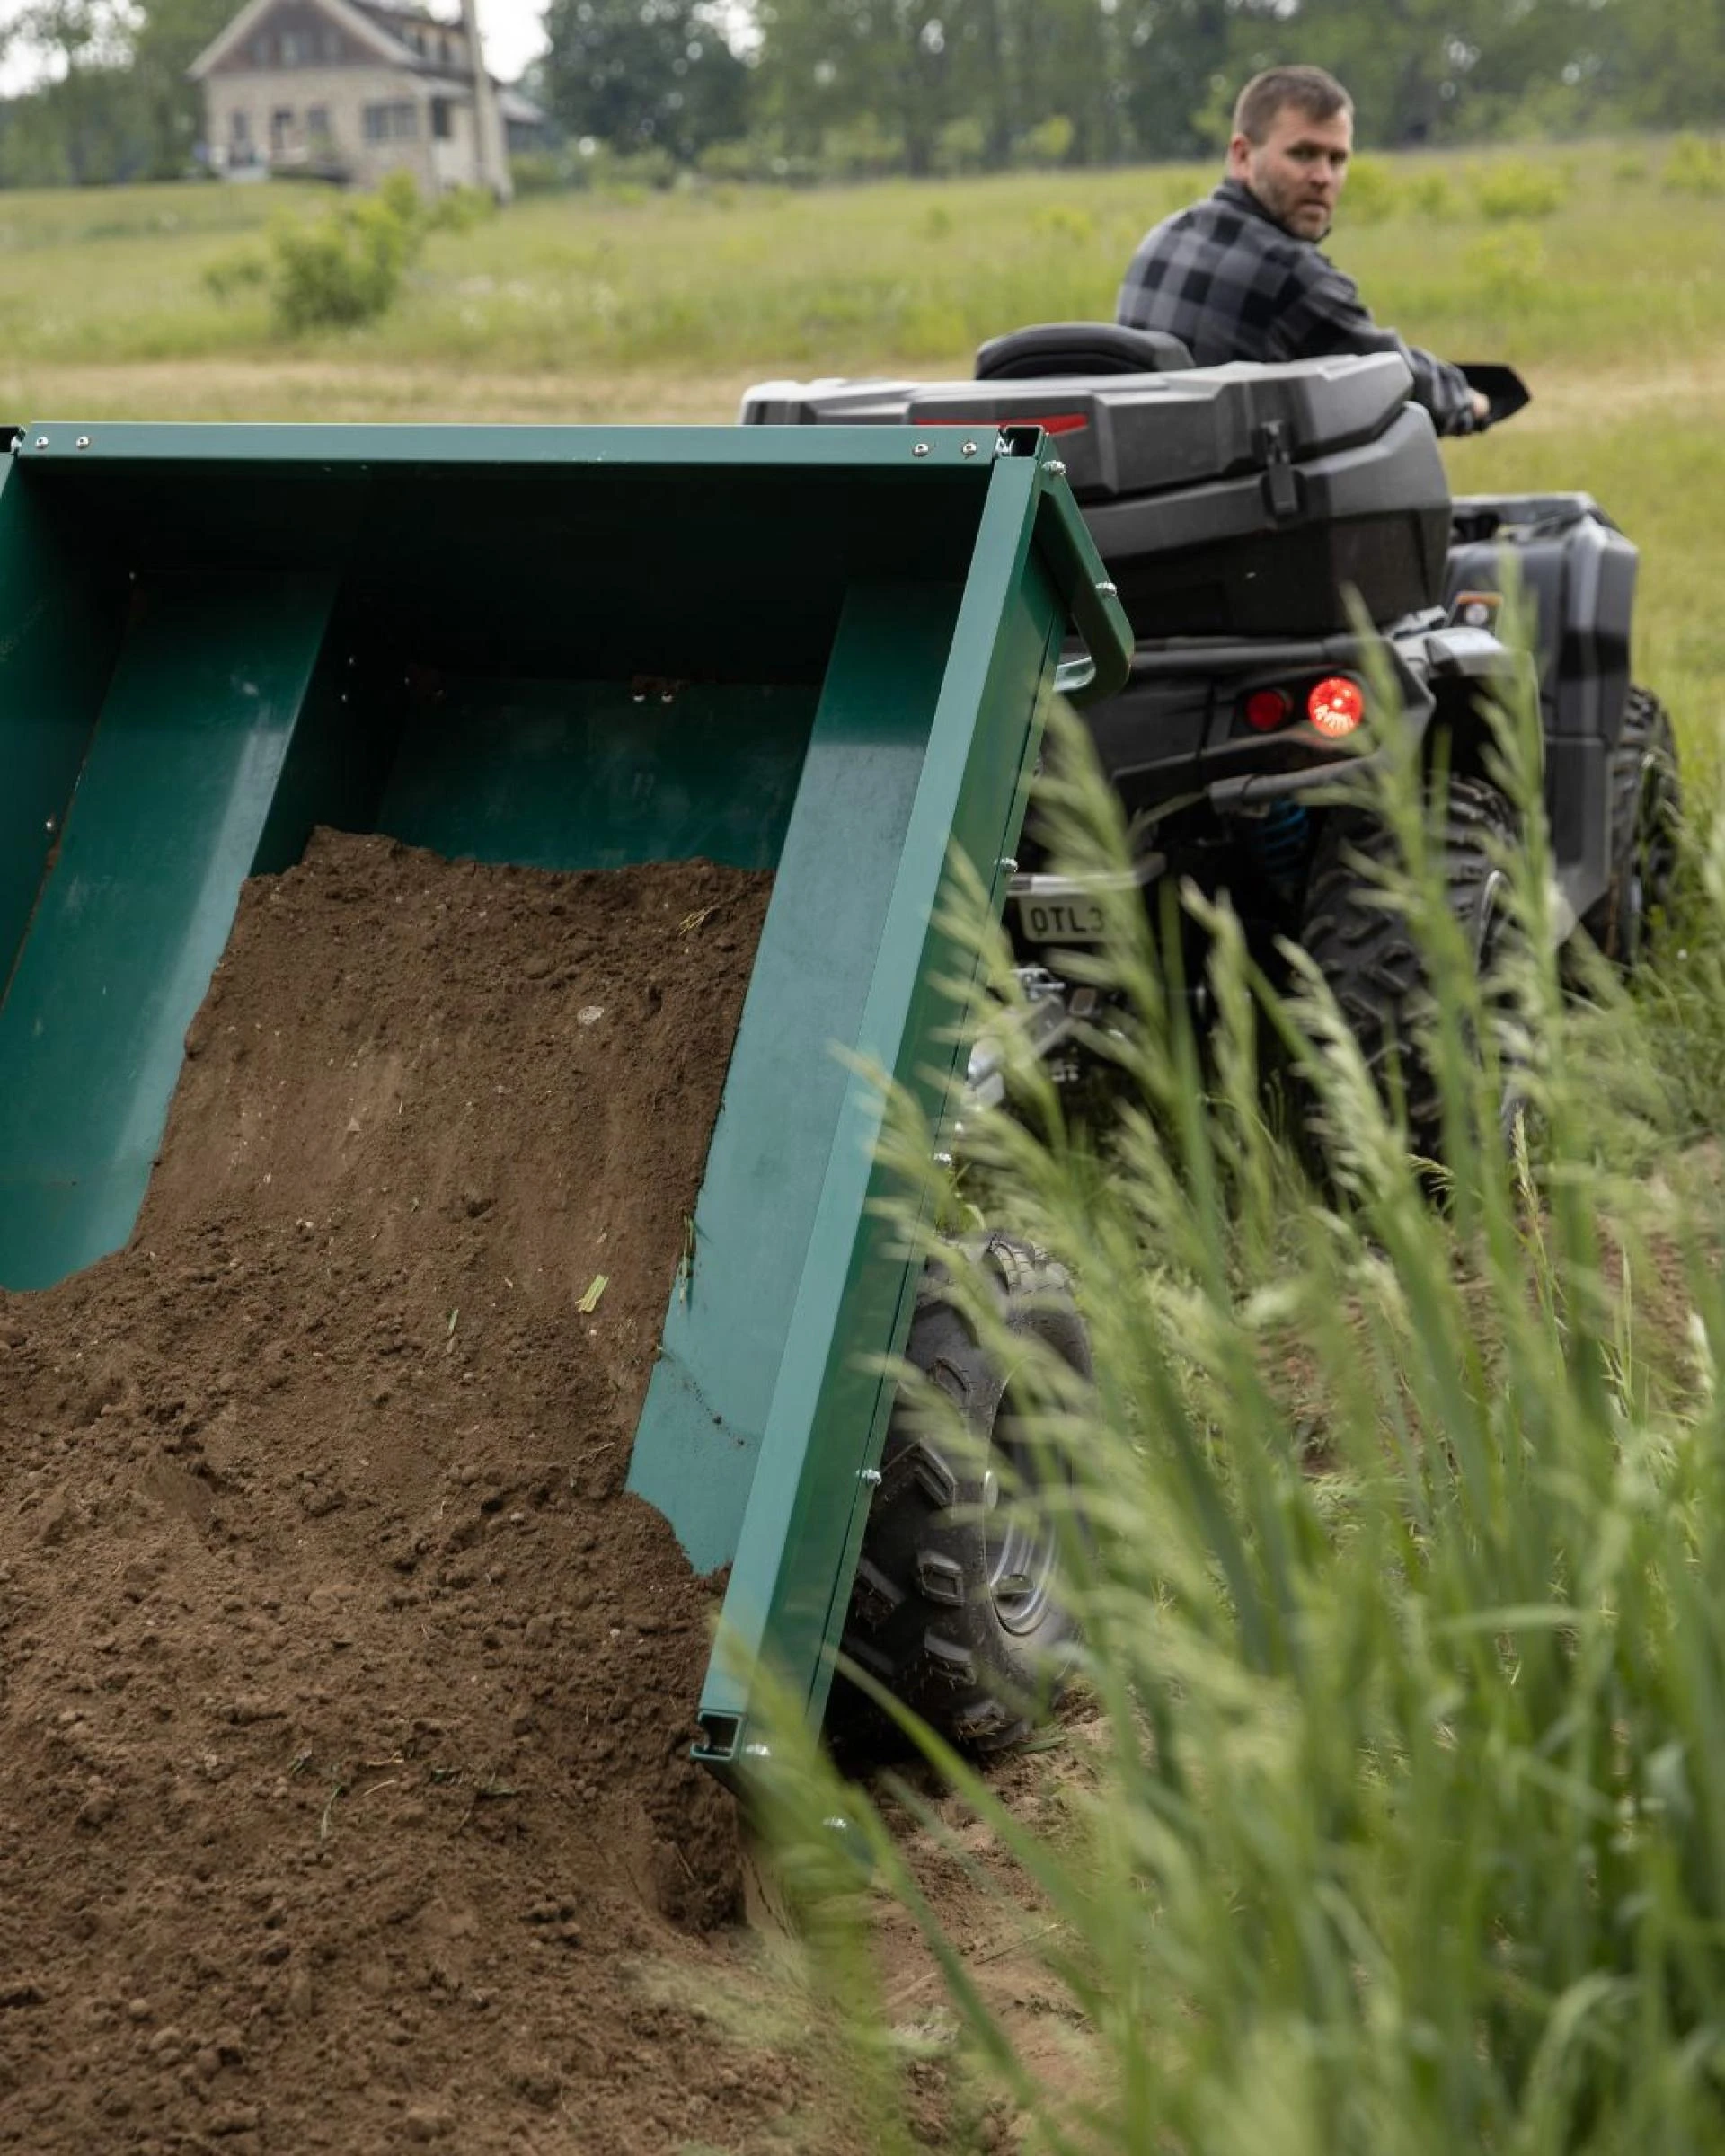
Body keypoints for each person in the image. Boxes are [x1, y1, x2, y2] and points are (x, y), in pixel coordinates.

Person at [1116, 66, 1490, 436]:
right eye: (1303, 154)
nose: (1323, 177)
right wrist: (1471, 401)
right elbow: (1396, 377)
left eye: (1337, 159)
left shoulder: (1160, 237)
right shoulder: (1292, 275)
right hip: (1227, 490)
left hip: (1147, 481)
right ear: (1243, 156)